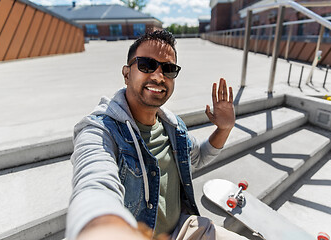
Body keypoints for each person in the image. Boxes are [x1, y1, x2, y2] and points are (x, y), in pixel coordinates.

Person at [66, 30, 247, 240]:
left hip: (185, 229)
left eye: (169, 69)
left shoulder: (173, 126)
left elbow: (198, 157)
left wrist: (223, 129)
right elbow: (94, 181)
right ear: (126, 74)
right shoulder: (100, 130)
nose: (159, 76)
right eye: (146, 65)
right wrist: (104, 227)